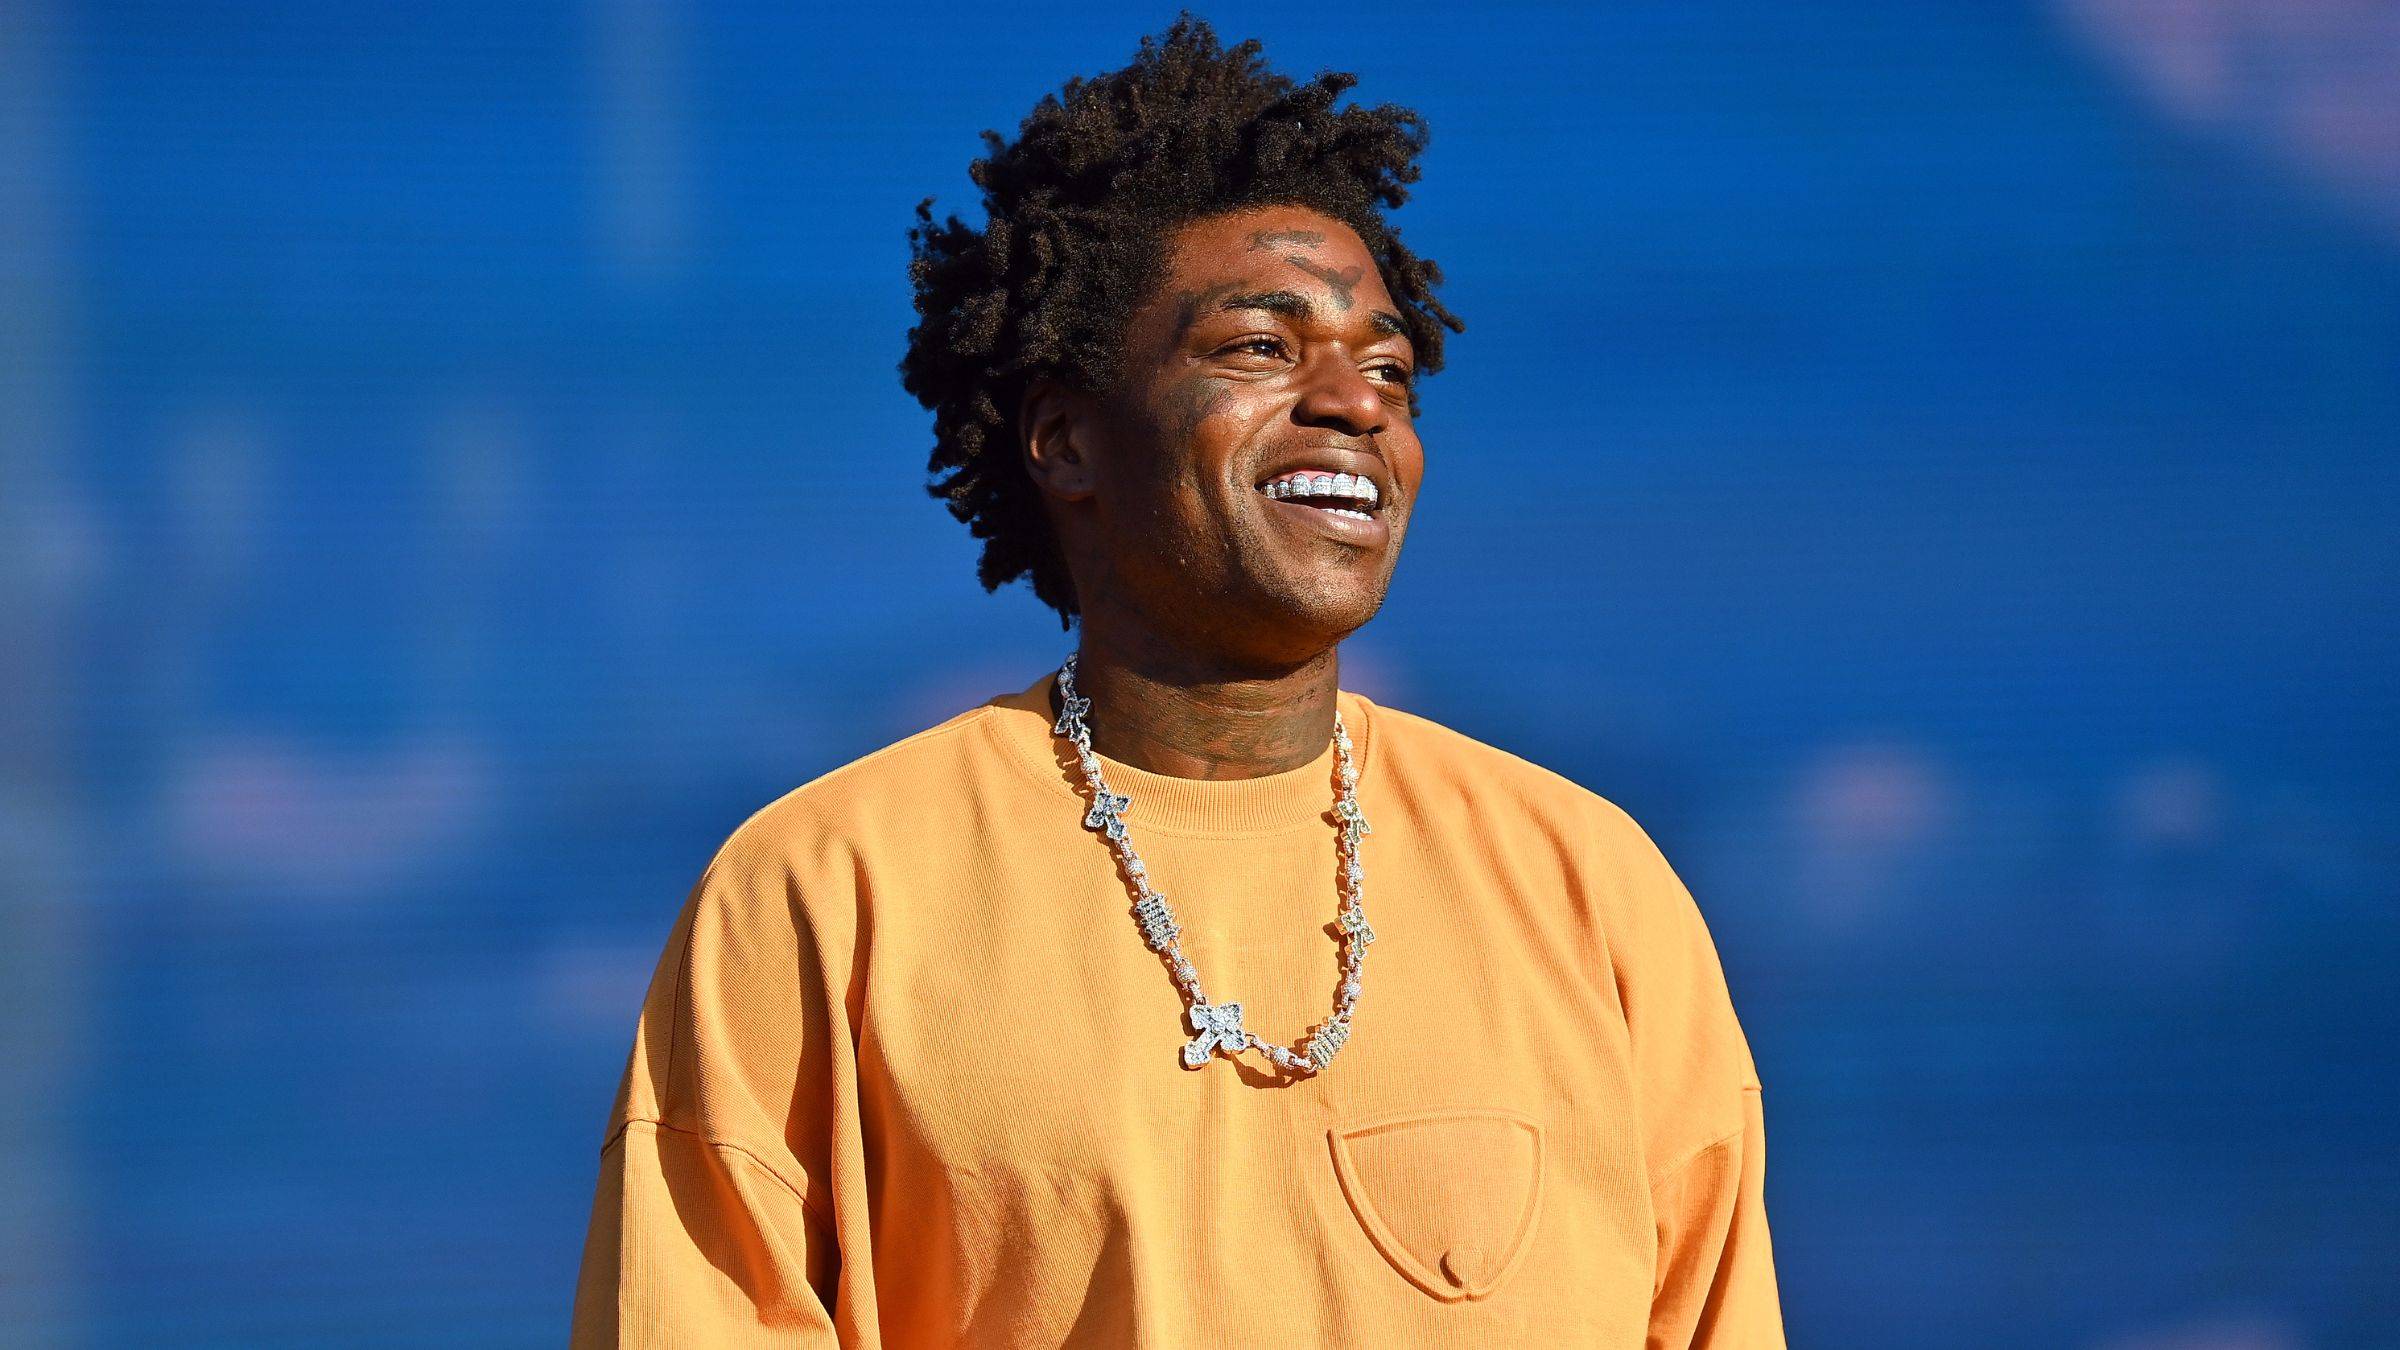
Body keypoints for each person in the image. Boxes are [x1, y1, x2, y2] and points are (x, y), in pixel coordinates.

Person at [571, 15, 1783, 1346]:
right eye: (1261, 348)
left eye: (1389, 367)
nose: (1357, 403)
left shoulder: (1590, 889)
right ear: (1065, 439)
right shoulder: (824, 890)